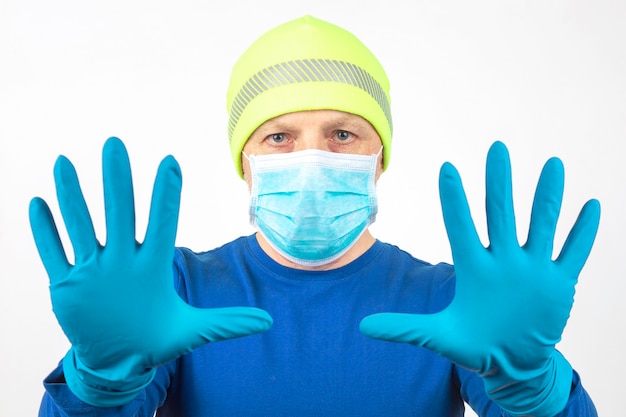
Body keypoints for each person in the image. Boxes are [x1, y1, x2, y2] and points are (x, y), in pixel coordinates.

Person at [30, 15, 601, 417]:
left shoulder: (453, 297)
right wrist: (99, 379)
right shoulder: (175, 288)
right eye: (279, 136)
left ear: (379, 159)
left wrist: (534, 386)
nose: (312, 157)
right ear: (244, 162)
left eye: (343, 134)